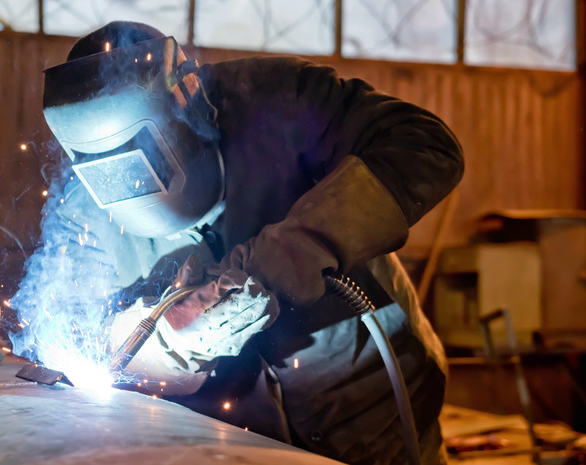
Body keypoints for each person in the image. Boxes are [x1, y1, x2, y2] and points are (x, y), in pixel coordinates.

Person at [41, 21, 463, 465]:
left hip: (373, 410)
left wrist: (288, 254)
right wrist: (172, 343)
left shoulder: (273, 98)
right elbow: (79, 337)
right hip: (234, 446)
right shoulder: (81, 209)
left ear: (188, 100)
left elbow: (428, 146)